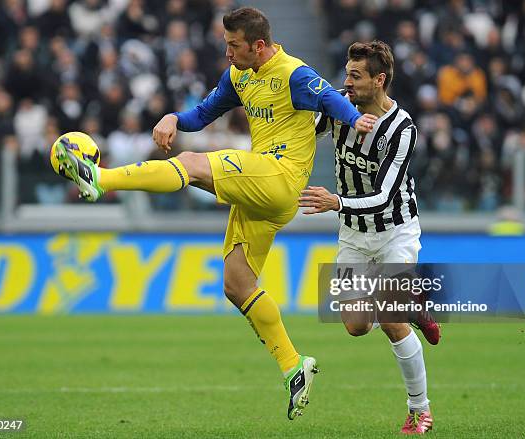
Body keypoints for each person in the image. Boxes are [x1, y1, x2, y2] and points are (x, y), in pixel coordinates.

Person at [52, 7, 374, 420]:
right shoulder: (239, 75)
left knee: (192, 164)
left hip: (280, 177)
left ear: (258, 46)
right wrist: (172, 116)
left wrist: (355, 118)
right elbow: (203, 114)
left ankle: (101, 179)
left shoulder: (292, 73)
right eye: (225, 44)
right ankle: (294, 366)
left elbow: (330, 97)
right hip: (261, 189)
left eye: (234, 45)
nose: (226, 53)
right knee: (237, 284)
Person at [298, 41, 437, 434]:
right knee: (356, 325)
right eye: (346, 73)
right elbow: (307, 135)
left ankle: (419, 410)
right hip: (354, 235)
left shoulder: (403, 130)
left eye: (355, 76)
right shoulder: (340, 105)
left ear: (379, 80)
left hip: (395, 229)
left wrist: (335, 202)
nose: (347, 82)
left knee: (390, 319)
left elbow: (383, 198)